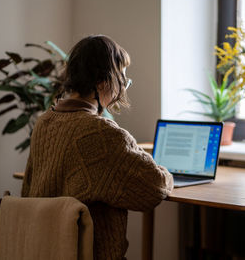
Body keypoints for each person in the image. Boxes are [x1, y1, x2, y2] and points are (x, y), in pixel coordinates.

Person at [21, 35, 174, 260]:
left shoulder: (44, 122)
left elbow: (27, 191)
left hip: (44, 251)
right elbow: (154, 188)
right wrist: (168, 174)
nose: (123, 87)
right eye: (123, 79)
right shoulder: (100, 133)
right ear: (104, 82)